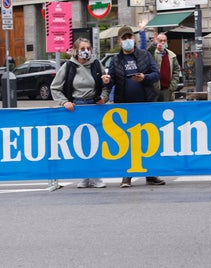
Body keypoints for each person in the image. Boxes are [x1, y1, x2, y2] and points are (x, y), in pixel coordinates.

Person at [108, 25, 165, 188]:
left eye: (130, 37)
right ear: (119, 41)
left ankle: (151, 174)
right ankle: (127, 176)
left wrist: (144, 78)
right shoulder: (115, 60)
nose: (128, 41)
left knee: (147, 140)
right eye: (124, 38)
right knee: (126, 142)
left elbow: (156, 75)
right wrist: (106, 81)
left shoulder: (145, 55)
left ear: (134, 39)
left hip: (145, 104)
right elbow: (111, 80)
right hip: (125, 107)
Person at [50, 37, 111, 188]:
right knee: (81, 144)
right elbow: (55, 87)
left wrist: (104, 96)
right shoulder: (69, 66)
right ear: (76, 51)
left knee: (96, 142)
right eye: (82, 49)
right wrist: (65, 102)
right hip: (77, 108)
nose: (86, 52)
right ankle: (84, 176)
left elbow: (105, 85)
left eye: (88, 48)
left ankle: (96, 176)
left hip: (94, 106)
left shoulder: (97, 64)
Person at [150, 33, 181, 102]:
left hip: (167, 90)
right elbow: (148, 53)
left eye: (164, 40)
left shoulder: (172, 55)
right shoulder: (153, 53)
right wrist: (154, 45)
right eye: (160, 40)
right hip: (154, 89)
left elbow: (176, 71)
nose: (163, 42)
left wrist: (172, 86)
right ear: (157, 41)